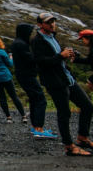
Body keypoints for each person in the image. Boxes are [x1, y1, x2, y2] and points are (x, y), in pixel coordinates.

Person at [32, 12, 93, 156]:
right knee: (64, 113)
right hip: (55, 82)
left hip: (67, 79)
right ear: (40, 25)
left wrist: (67, 56)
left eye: (53, 21)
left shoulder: (53, 36)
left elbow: (56, 59)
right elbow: (41, 62)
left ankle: (82, 138)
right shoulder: (37, 41)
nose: (52, 24)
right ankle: (69, 146)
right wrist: (61, 56)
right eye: (48, 22)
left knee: (87, 106)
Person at [11, 23, 57, 139]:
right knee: (41, 100)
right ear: (24, 32)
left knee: (33, 99)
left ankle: (35, 127)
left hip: (23, 75)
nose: (31, 33)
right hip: (27, 75)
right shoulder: (20, 44)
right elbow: (31, 59)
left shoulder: (17, 42)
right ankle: (39, 129)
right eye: (29, 31)